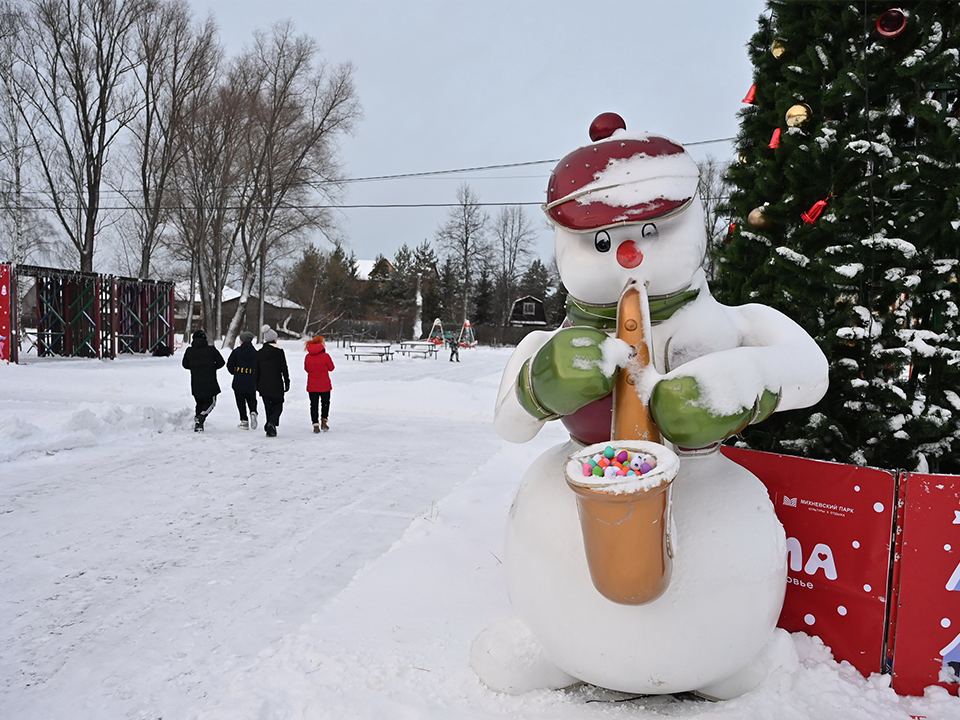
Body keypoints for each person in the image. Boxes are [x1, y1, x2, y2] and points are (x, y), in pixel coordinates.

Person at [181, 329, 225, 432]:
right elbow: (221, 363)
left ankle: (198, 424)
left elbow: (185, 365)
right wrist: (212, 367)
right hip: (210, 382)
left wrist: (195, 367)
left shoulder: (190, 351)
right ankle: (201, 417)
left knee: (199, 403)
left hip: (196, 382)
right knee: (211, 403)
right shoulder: (211, 350)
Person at [256, 327, 289, 437]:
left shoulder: (260, 353)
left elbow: (256, 370)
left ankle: (271, 427)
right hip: (276, 383)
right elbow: (284, 368)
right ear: (274, 339)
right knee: (278, 404)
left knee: (268, 406)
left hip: (263, 384)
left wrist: (256, 384)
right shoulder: (279, 352)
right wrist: (287, 381)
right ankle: (272, 422)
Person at [227, 331, 259, 429]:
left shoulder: (236, 352)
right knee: (252, 398)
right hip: (251, 380)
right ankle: (253, 411)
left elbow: (229, 365)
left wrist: (235, 372)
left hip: (239, 380)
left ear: (241, 341)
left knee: (240, 401)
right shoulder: (255, 353)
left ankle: (244, 420)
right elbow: (259, 366)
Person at [304, 335, 335, 433]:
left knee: (313, 405)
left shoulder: (308, 356)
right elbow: (331, 368)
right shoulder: (326, 356)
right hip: (325, 384)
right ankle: (324, 420)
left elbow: (307, 369)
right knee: (325, 403)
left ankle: (315, 425)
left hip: (312, 385)